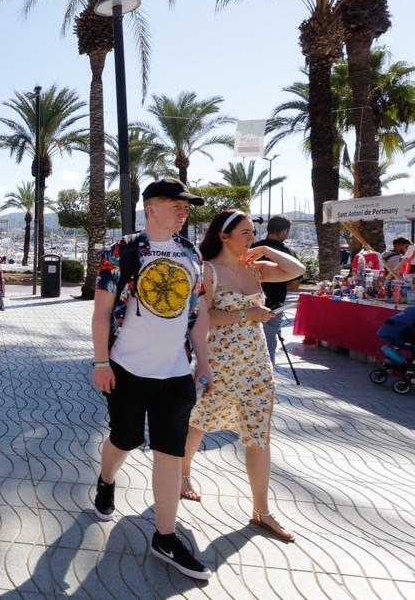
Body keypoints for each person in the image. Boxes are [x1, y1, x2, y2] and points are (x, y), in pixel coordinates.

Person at [91, 177, 213, 580]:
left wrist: (205, 362)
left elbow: (196, 315)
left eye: (186, 206)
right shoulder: (123, 251)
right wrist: (101, 362)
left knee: (170, 452)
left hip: (176, 374)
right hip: (126, 369)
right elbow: (102, 312)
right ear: (151, 208)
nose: (183, 211)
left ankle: (165, 536)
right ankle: (106, 478)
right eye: (175, 204)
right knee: (124, 439)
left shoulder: (190, 252)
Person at [183, 210, 305, 543]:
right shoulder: (208, 270)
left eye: (253, 233)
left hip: (257, 366)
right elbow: (203, 319)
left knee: (258, 434)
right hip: (221, 364)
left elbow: (297, 270)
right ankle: (182, 472)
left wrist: (266, 250)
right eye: (245, 233)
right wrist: (246, 313)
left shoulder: (255, 266)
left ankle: (261, 511)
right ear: (223, 236)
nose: (251, 239)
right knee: (200, 420)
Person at [253, 215, 303, 367]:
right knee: (269, 344)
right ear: (284, 232)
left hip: (251, 304)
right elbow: (295, 281)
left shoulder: (254, 249)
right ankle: (268, 377)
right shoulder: (288, 254)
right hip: (274, 305)